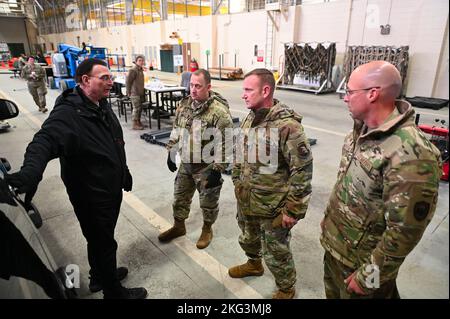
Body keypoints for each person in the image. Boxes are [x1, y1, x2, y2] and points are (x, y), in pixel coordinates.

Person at [5, 58, 147, 299]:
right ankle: (114, 292)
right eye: (104, 78)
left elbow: (113, 142)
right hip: (91, 193)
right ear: (85, 80)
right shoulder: (68, 114)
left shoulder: (99, 103)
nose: (110, 82)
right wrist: (30, 172)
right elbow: (44, 141)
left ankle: (99, 277)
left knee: (98, 238)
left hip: (108, 186)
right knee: (104, 242)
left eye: (111, 77)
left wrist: (123, 172)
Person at [320, 61, 442, 299]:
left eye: (350, 92)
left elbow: (405, 231)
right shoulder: (361, 132)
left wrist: (369, 278)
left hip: (363, 266)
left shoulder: (410, 154)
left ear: (373, 94)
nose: (345, 98)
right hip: (338, 251)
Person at [228, 68, 313, 299]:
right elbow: (240, 153)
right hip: (247, 199)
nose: (243, 95)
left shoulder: (287, 126)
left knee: (277, 251)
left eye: (248, 89)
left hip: (273, 205)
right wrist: (237, 181)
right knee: (248, 238)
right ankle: (254, 264)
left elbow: (302, 170)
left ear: (265, 90)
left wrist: (293, 210)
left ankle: (286, 288)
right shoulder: (250, 116)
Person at [158, 69, 234, 249]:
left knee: (208, 202)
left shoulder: (219, 112)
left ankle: (207, 229)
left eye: (198, 86)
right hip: (186, 163)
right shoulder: (184, 105)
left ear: (208, 87)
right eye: (191, 85)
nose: (193, 90)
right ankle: (179, 226)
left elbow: (227, 142)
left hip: (206, 167)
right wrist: (171, 150)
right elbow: (177, 128)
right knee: (179, 198)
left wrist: (218, 169)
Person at [126, 55, 146, 130]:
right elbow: (128, 81)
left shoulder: (140, 69)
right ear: (136, 61)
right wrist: (128, 92)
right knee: (136, 108)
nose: (141, 62)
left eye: (142, 60)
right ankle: (134, 124)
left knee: (140, 108)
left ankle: (138, 122)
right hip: (134, 93)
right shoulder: (133, 70)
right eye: (139, 60)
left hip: (140, 92)